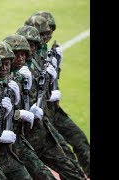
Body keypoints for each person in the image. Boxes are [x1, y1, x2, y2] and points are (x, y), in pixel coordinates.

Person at [4, 34, 86, 180]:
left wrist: (54, 77)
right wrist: (19, 114)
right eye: (17, 55)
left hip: (40, 131)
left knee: (71, 167)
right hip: (16, 144)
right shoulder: (4, 81)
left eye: (24, 54)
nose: (21, 58)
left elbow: (41, 96)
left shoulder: (26, 72)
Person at [30, 11, 90, 177]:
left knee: (79, 141)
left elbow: (50, 85)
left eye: (49, 32)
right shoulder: (26, 57)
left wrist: (57, 68)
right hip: (41, 119)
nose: (47, 36)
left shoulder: (46, 52)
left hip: (52, 110)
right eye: (43, 33)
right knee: (64, 156)